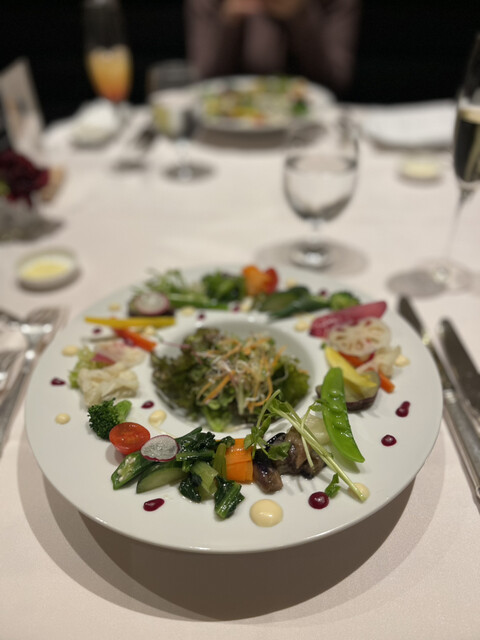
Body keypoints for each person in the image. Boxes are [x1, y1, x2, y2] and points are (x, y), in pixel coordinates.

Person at [184, 0, 361, 95]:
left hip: (312, 127)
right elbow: (201, 80)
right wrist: (230, 22)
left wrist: (300, 17)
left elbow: (337, 81)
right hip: (222, 125)